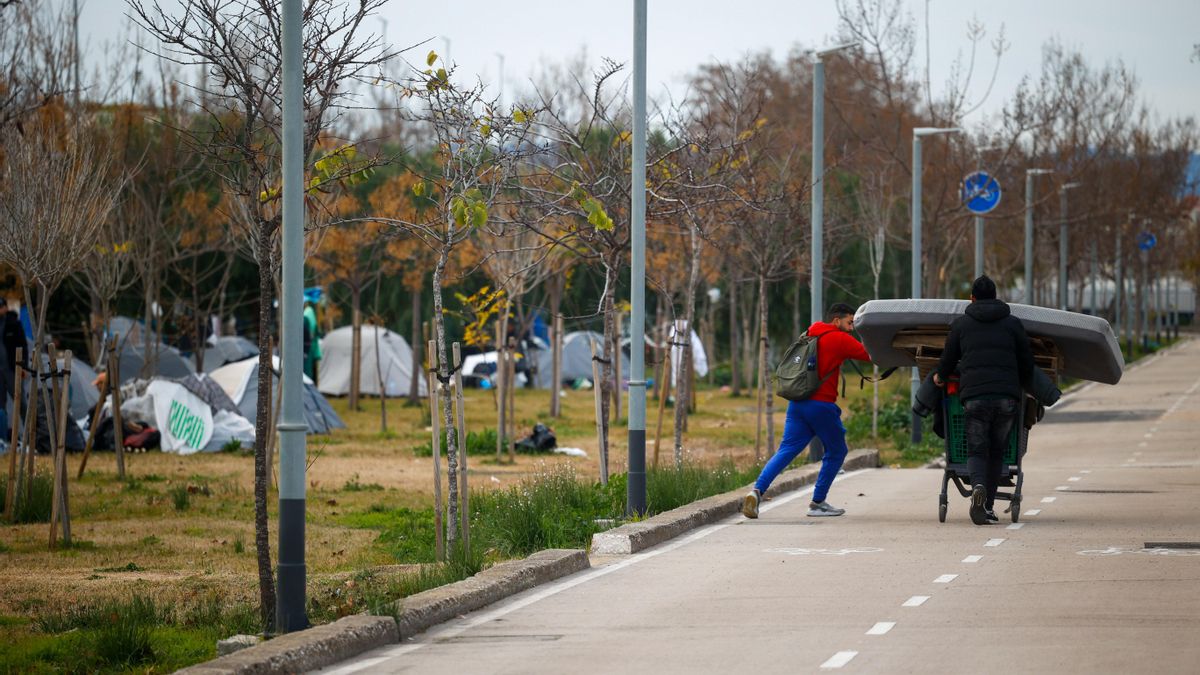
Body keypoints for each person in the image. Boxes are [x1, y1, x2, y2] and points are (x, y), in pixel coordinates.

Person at [742, 302, 872, 519]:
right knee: (837, 451)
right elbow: (870, 355)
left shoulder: (810, 334)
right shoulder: (838, 338)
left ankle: (757, 491)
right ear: (837, 320)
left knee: (787, 450)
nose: (852, 328)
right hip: (821, 405)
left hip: (798, 402)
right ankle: (818, 502)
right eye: (850, 323)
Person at [934, 275, 1034, 525]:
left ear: (972, 297)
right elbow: (1026, 362)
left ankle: (977, 486)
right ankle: (987, 505)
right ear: (997, 295)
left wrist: (940, 376)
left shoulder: (961, 325)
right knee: (997, 451)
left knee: (977, 448)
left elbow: (947, 359)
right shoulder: (1013, 324)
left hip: (974, 397)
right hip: (1006, 398)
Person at [303, 301, 322, 385]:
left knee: (306, 370)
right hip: (313, 348)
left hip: (307, 349)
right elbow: (318, 333)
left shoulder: (305, 318)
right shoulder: (312, 319)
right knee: (312, 370)